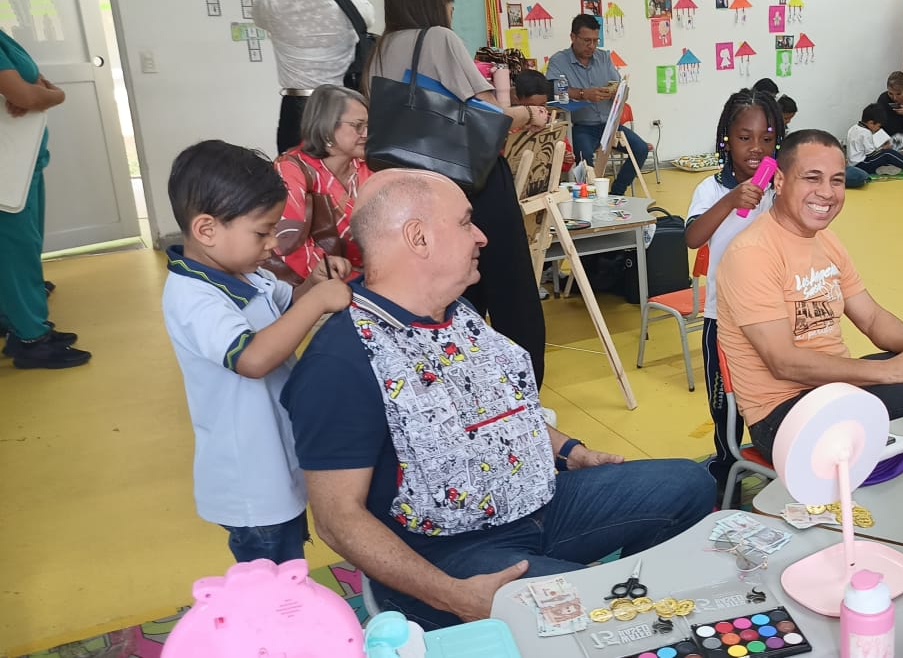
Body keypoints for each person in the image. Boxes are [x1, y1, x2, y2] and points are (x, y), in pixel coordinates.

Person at [282, 168, 715, 629]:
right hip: (450, 554)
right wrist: (451, 595)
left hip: (540, 506)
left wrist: (570, 451)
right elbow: (336, 518)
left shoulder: (458, 314)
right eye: (467, 223)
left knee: (690, 485)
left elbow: (493, 412)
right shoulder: (343, 357)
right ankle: (611, 617)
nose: (482, 237)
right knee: (599, 616)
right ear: (419, 238)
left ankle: (632, 602)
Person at [715, 129, 903, 458]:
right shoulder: (752, 253)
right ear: (779, 181)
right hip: (784, 416)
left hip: (834, 389)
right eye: (812, 178)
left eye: (836, 180)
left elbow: (872, 318)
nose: (827, 193)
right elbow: (784, 363)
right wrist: (893, 371)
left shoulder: (826, 241)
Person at [162, 140, 352, 563]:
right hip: (249, 481)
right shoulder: (193, 297)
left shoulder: (247, 276)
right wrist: (318, 302)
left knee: (289, 566)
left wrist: (315, 283)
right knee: (269, 581)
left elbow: (287, 307)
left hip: (275, 458)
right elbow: (252, 358)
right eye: (262, 232)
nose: (272, 245)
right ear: (207, 229)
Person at [369, 0, 552, 384]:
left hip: (413, 190)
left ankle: (464, 387)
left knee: (451, 294)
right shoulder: (438, 39)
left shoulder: (381, 48)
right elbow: (491, 117)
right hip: (472, 183)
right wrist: (528, 114)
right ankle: (521, 392)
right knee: (512, 295)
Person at [684, 89, 784, 499]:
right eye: (745, 138)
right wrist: (730, 200)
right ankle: (727, 468)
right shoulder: (712, 188)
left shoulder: (779, 188)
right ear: (726, 138)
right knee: (725, 408)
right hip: (721, 320)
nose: (756, 148)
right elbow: (692, 237)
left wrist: (786, 188)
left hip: (774, 318)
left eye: (766, 138)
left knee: (774, 392)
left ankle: (774, 459)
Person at [0, 28, 89, 369]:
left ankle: (19, 323)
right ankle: (30, 340)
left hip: (23, 161)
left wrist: (36, 93)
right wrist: (52, 95)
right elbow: (28, 95)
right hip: (8, 170)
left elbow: (34, 83)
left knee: (22, 246)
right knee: (15, 249)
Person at [268, 84, 372, 284]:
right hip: (316, 283)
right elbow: (287, 244)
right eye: (358, 125)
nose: (367, 133)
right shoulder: (290, 169)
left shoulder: (365, 165)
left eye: (369, 125)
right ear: (326, 128)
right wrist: (353, 280)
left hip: (368, 275)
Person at [253, 0, 374, 153]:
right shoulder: (349, 3)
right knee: (343, 169)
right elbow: (369, 16)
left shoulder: (273, 3)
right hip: (340, 104)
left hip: (296, 106)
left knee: (294, 170)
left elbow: (258, 8)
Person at [546, 14, 651, 197]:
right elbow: (552, 89)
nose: (592, 46)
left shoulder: (603, 57)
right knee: (584, 156)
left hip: (609, 125)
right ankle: (592, 198)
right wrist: (582, 94)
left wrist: (617, 92)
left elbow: (620, 87)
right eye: (587, 41)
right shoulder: (559, 61)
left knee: (641, 149)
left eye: (595, 40)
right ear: (573, 37)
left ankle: (616, 193)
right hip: (581, 127)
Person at [847, 104, 903, 176]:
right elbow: (871, 155)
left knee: (887, 154)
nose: (878, 129)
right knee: (888, 153)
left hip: (854, 164)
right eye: (878, 126)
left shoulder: (854, 128)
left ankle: (884, 169)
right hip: (861, 165)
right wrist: (884, 149)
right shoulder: (865, 133)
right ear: (871, 123)